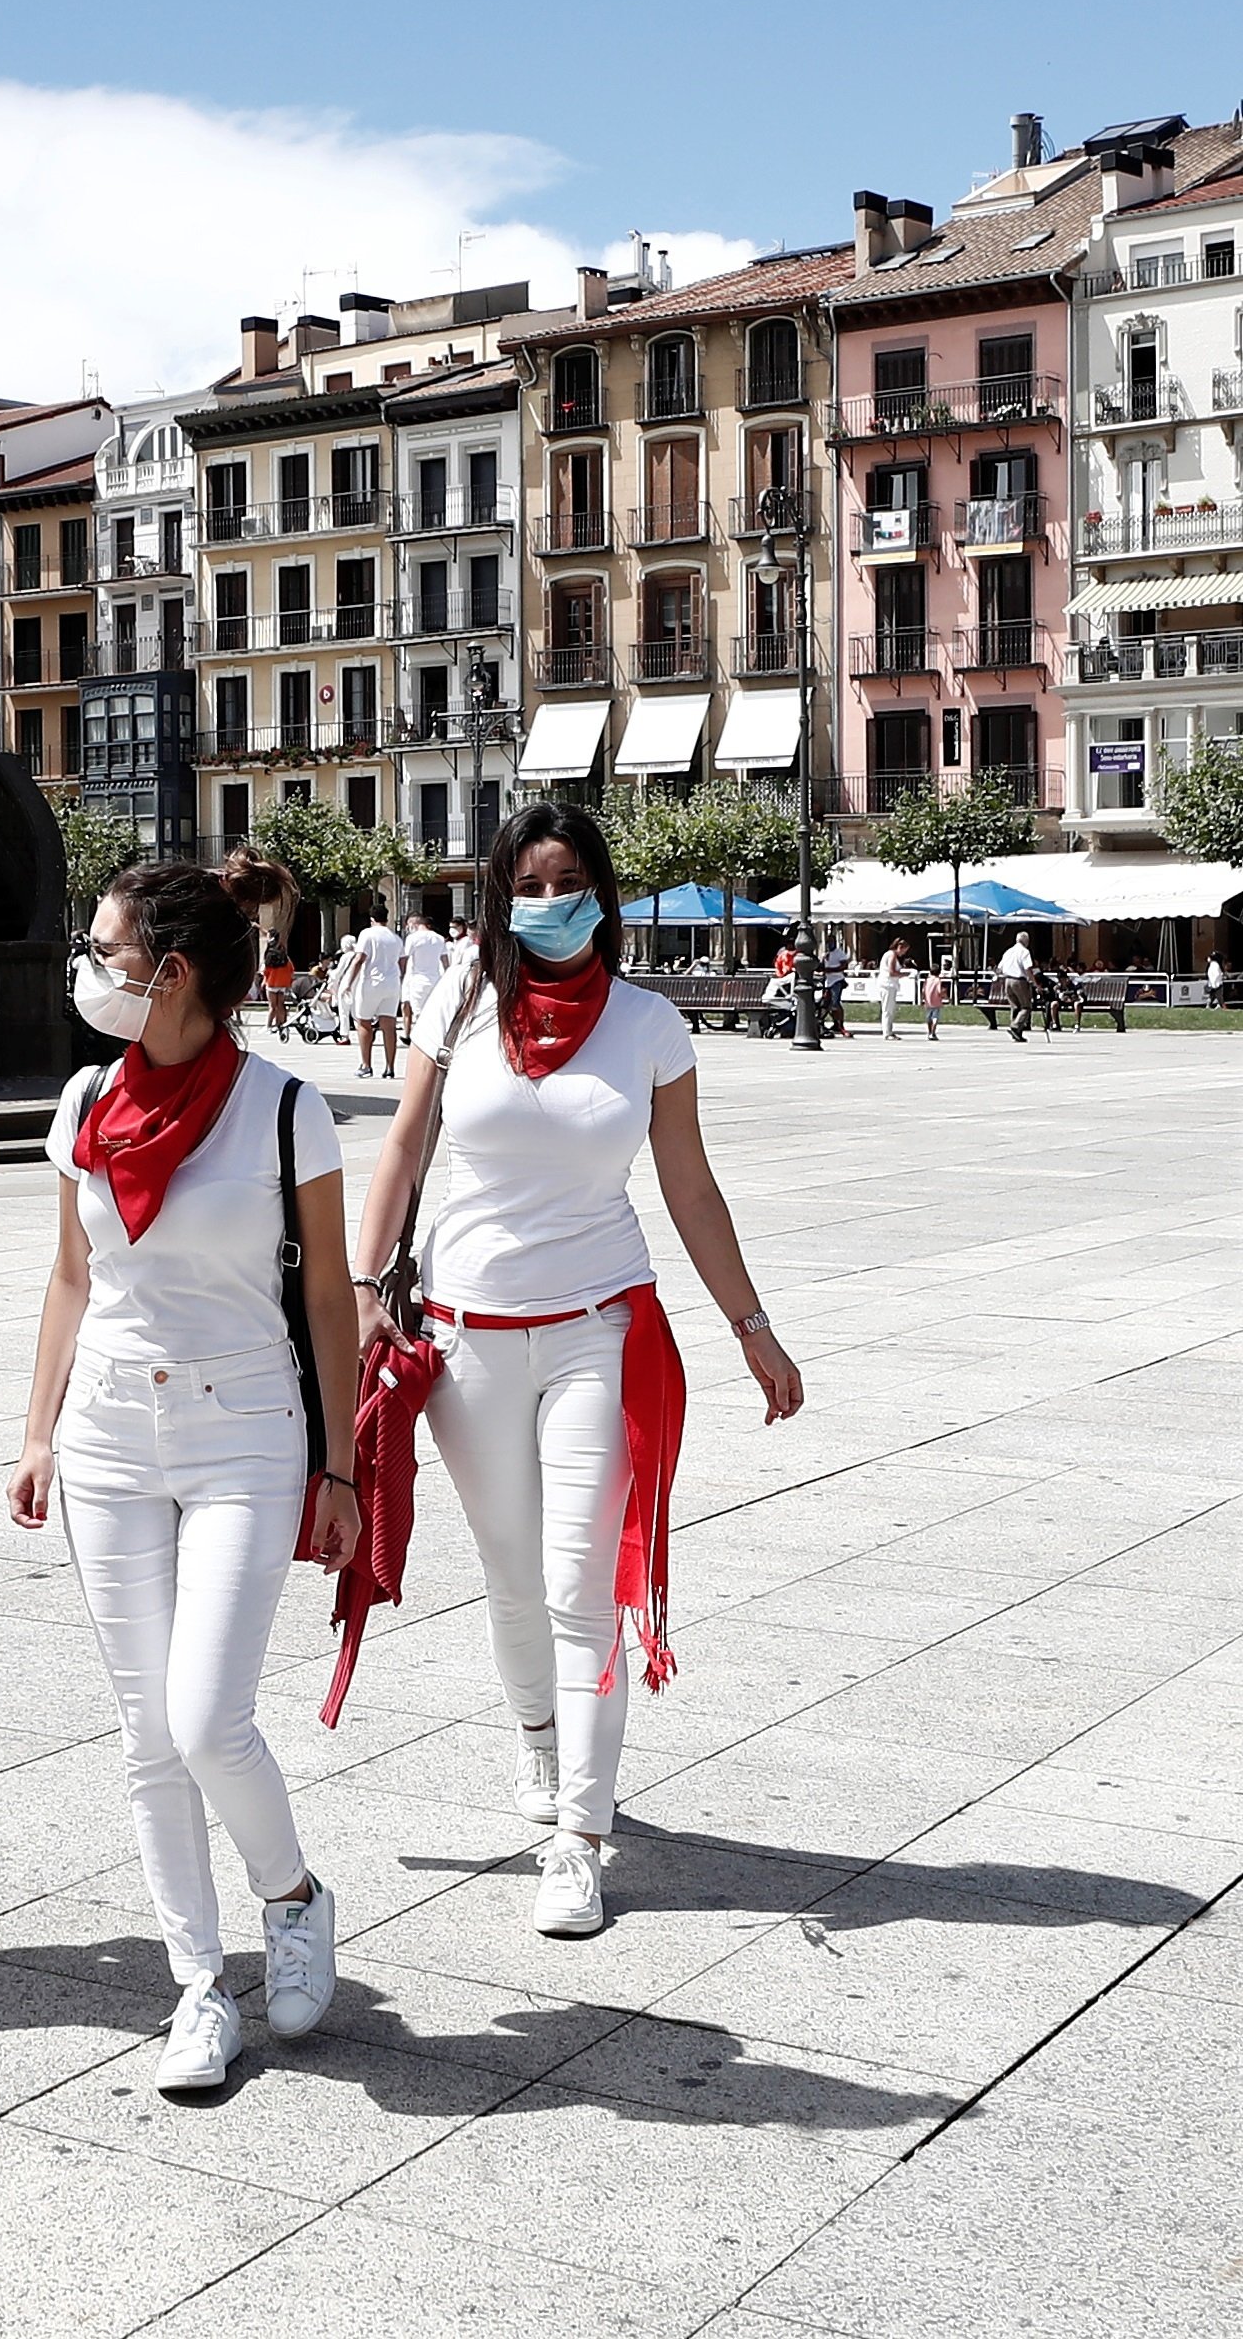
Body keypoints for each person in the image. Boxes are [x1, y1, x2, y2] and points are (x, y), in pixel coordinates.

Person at [350, 801, 805, 1941]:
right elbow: (405, 1144)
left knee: (581, 1582)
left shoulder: (651, 1027)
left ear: (603, 892)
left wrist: (751, 1325)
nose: (549, 902)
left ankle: (582, 1839)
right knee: (509, 1576)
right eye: (528, 884)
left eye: (568, 880)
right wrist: (362, 1292)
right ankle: (539, 1744)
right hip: (464, 1335)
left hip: (601, 1324)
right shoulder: (457, 999)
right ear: (502, 897)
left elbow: (689, 1186)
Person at [11, 849, 354, 2096]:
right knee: (145, 1734)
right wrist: (40, 1429)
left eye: (105, 952)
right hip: (108, 1431)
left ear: (172, 974)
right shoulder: (84, 1102)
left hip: (245, 1429)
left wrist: (345, 1468)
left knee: (207, 1715)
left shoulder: (283, 1109)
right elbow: (70, 1279)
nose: (89, 972)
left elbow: (327, 1293)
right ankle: (198, 1982)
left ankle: (295, 1895)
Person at [344, 912, 407, 1079]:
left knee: (364, 1022)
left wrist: (349, 982)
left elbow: (359, 959)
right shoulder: (395, 938)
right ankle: (390, 1067)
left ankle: (366, 1065)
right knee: (389, 1025)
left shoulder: (367, 934)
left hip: (371, 982)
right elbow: (403, 962)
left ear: (371, 919)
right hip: (392, 983)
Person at [400, 913, 449, 1031]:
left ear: (413, 924)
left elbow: (405, 958)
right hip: (436, 979)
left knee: (419, 1014)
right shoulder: (439, 938)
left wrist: (401, 975)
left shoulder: (413, 938)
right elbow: (445, 962)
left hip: (418, 979)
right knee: (433, 1012)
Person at [998, 930, 1039, 1042]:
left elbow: (999, 968)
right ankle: (1016, 1026)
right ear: (1026, 941)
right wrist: (1035, 983)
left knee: (1015, 1007)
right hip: (1019, 980)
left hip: (1007, 980)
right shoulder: (1024, 952)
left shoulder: (1008, 951)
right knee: (1026, 1006)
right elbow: (1028, 969)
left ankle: (1016, 1031)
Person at [876, 938, 915, 1043]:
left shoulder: (890, 955)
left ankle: (889, 1030)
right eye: (904, 950)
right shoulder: (892, 955)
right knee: (887, 1009)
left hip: (890, 984)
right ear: (900, 947)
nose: (904, 953)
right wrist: (905, 974)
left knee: (890, 1009)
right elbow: (892, 972)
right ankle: (887, 1032)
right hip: (887, 984)